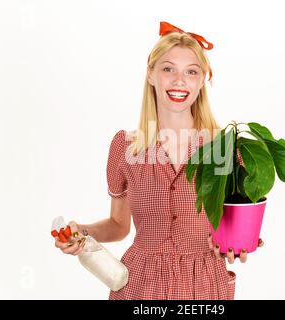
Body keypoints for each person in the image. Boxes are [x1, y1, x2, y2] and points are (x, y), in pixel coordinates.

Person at [54, 21, 263, 300]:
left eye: (191, 72)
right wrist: (83, 233)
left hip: (204, 284)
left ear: (203, 80)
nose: (179, 81)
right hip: (140, 283)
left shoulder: (223, 147)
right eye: (168, 69)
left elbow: (236, 226)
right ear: (150, 74)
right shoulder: (126, 147)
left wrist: (238, 243)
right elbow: (119, 226)